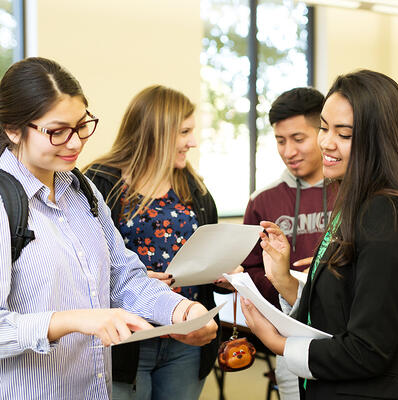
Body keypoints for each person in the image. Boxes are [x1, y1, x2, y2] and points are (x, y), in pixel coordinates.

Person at [0, 57, 217, 400]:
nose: (75, 143)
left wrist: (180, 310)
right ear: (13, 129)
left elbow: (123, 277)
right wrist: (73, 321)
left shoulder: (82, 191)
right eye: (57, 131)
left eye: (82, 124)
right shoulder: (4, 203)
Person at [241, 69, 398, 399]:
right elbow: (340, 309)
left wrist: (279, 344)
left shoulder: (382, 213)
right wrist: (284, 276)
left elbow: (368, 349)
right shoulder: (355, 201)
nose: (325, 142)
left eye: (343, 134)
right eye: (324, 128)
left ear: (378, 138)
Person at [85, 85, 231, 400]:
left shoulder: (192, 186)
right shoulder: (101, 182)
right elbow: (84, 262)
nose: (193, 142)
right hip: (127, 341)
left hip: (186, 338)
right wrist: (136, 279)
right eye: (184, 132)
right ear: (157, 133)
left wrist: (223, 272)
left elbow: (208, 254)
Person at [242, 87, 337, 399]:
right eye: (280, 141)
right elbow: (251, 268)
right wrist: (281, 281)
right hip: (290, 335)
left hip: (348, 330)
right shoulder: (263, 201)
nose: (289, 151)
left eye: (299, 138)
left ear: (323, 133)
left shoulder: (353, 193)